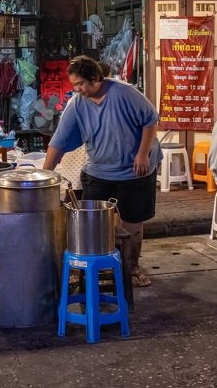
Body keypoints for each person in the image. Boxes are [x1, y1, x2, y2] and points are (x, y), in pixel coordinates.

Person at [43, 55, 162, 287]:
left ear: (96, 78)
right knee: (91, 221)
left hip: (134, 170)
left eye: (81, 84)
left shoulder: (124, 93)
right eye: (74, 85)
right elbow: (58, 142)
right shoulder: (77, 104)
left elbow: (151, 120)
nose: (77, 90)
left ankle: (133, 267)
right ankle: (95, 267)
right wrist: (44, 176)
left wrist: (142, 154)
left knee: (132, 221)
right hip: (98, 169)